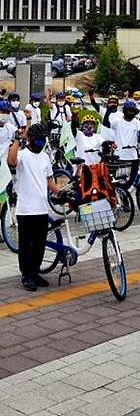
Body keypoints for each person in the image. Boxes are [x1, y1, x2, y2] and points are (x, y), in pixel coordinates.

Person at [7, 123, 64, 291]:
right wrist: (17, 140)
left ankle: (35, 273)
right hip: (25, 210)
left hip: (42, 209)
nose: (40, 142)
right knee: (27, 245)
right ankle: (26, 275)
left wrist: (60, 192)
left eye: (42, 139)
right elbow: (11, 161)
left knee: (39, 245)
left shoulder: (45, 157)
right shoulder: (23, 155)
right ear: (30, 139)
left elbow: (50, 182)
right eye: (37, 139)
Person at [110, 101, 140, 185]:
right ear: (124, 111)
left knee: (133, 178)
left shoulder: (137, 122)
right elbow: (106, 124)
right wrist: (108, 111)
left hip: (133, 154)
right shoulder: (117, 122)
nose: (131, 113)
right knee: (120, 179)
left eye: (133, 111)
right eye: (129, 110)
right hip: (120, 154)